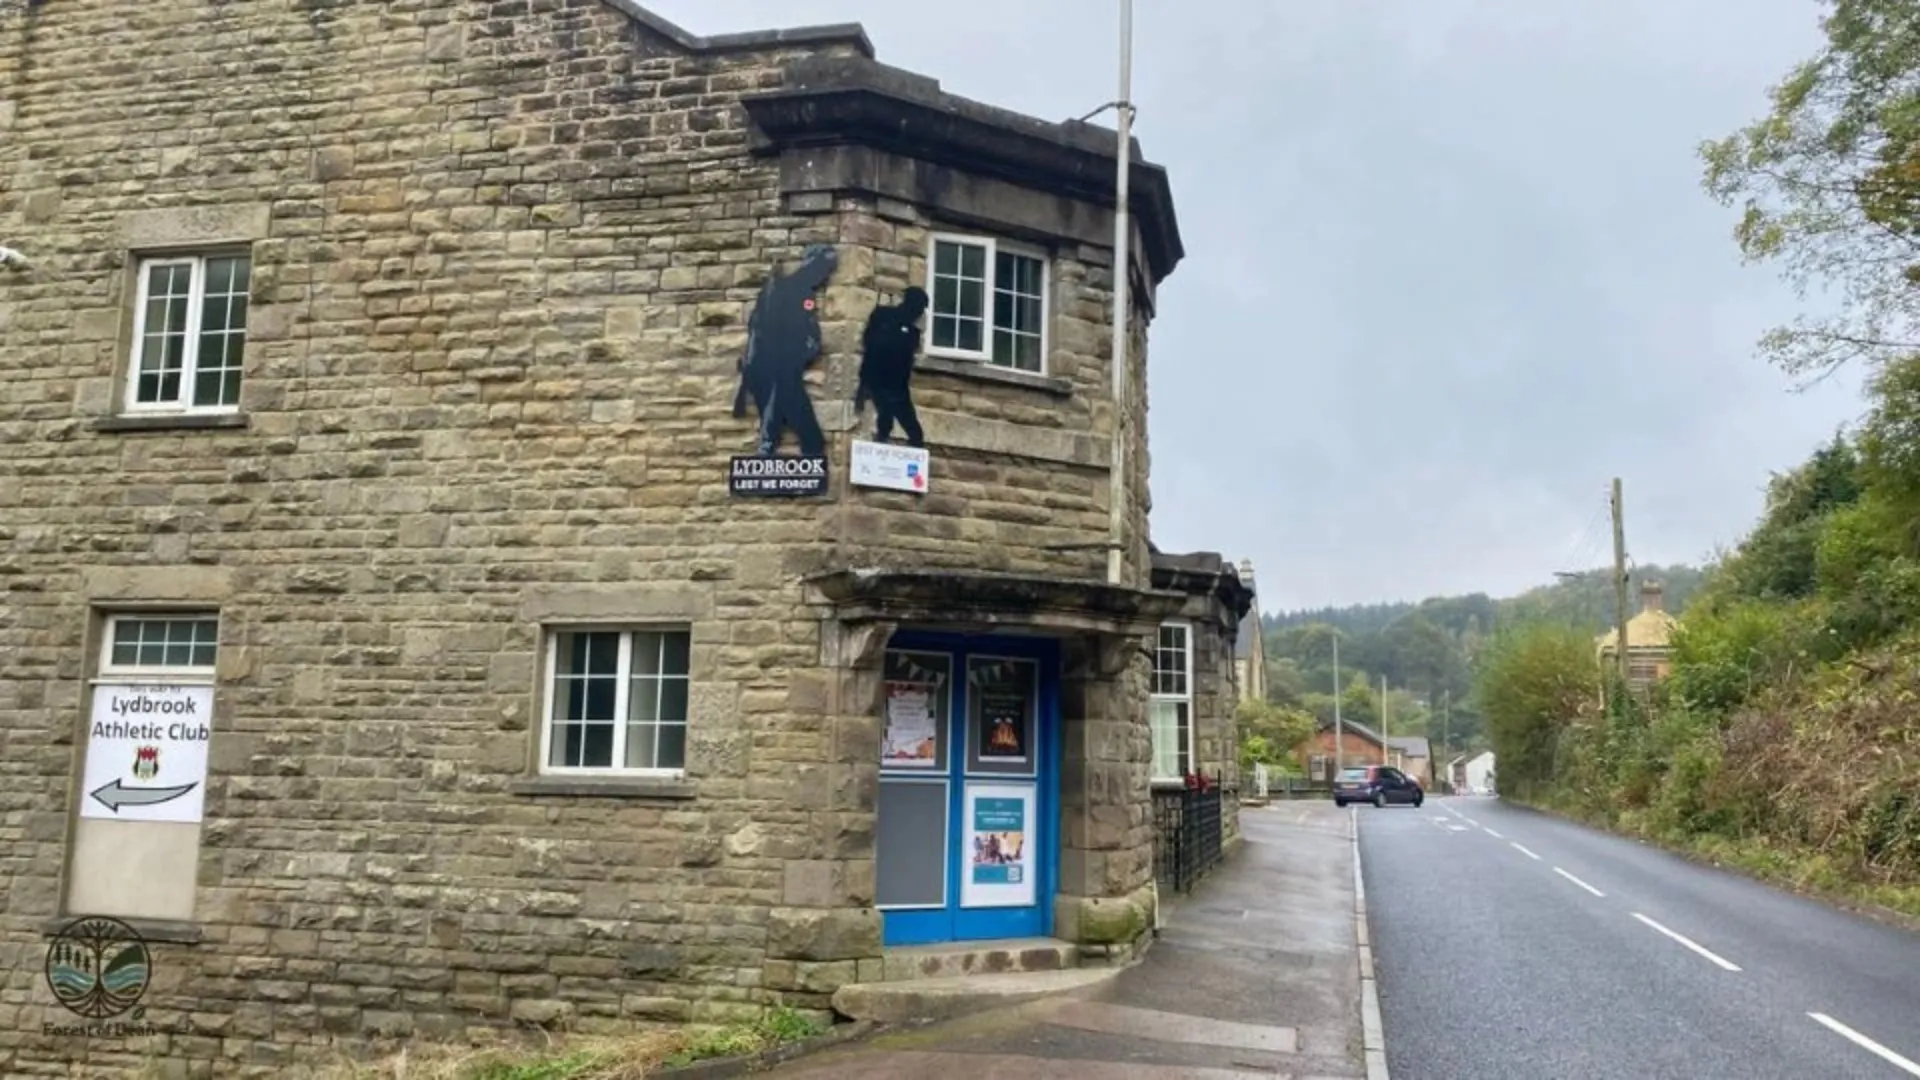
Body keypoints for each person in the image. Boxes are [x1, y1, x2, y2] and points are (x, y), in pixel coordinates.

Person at [854, 286, 929, 446]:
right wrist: (864, 384)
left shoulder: (912, 333)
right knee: (886, 422)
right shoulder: (882, 316)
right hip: (878, 380)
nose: (920, 314)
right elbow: (870, 346)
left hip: (896, 387)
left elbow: (905, 364)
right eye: (920, 308)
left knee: (913, 432)